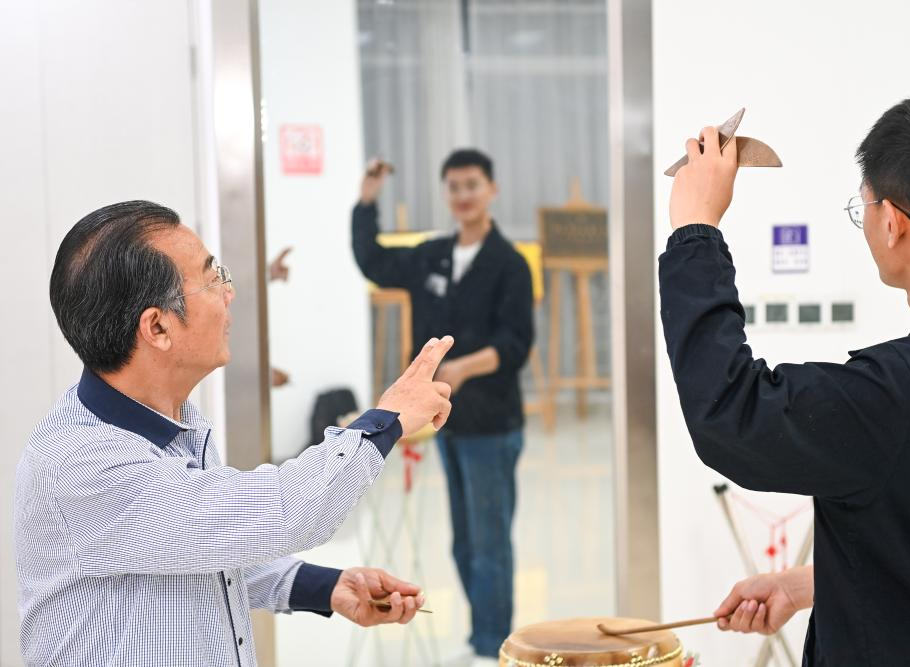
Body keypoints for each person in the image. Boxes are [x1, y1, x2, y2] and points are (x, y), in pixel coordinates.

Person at [660, 93, 910, 664]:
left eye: (864, 206)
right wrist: (817, 582)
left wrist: (695, 230)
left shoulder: (902, 389)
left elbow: (732, 414)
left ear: (892, 222)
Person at [16, 200, 455, 666]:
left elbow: (197, 545)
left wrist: (326, 587)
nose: (230, 293)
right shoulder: (83, 463)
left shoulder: (175, 420)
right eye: (213, 279)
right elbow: (288, 510)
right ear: (158, 326)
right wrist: (388, 418)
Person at [352, 150, 534, 665]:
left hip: (492, 424)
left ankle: (492, 647)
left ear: (492, 189)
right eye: (454, 186)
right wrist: (367, 198)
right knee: (464, 543)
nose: (463, 195)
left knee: (489, 543)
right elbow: (373, 260)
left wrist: (462, 368)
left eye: (472, 185)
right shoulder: (432, 255)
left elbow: (516, 344)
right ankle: (484, 640)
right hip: (446, 424)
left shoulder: (510, 264)